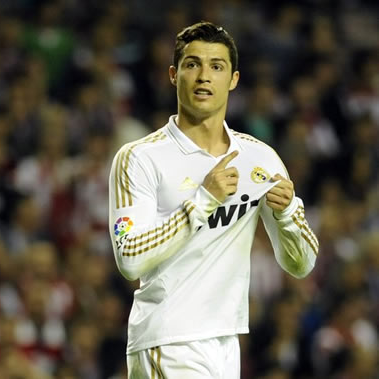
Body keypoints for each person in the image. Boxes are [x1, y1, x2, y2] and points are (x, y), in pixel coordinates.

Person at [108, 21, 319, 378]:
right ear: (174, 75)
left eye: (216, 66)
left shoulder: (260, 159)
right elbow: (129, 259)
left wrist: (286, 216)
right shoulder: (140, 158)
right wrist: (204, 200)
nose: (204, 76)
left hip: (226, 342)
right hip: (167, 339)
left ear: (233, 79)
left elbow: (301, 265)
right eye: (192, 64)